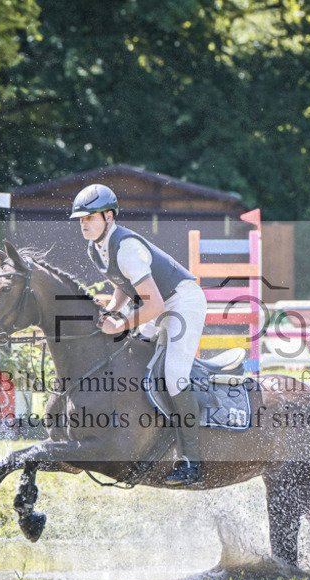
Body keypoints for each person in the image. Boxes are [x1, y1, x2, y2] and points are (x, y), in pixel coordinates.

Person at [71, 183, 208, 486]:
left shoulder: (127, 249)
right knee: (134, 355)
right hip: (160, 303)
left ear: (108, 216)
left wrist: (121, 324)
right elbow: (122, 285)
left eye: (89, 217)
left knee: (174, 376)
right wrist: (111, 310)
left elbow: (155, 305)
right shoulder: (96, 248)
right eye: (80, 219)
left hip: (182, 302)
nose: (83, 223)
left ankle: (192, 462)